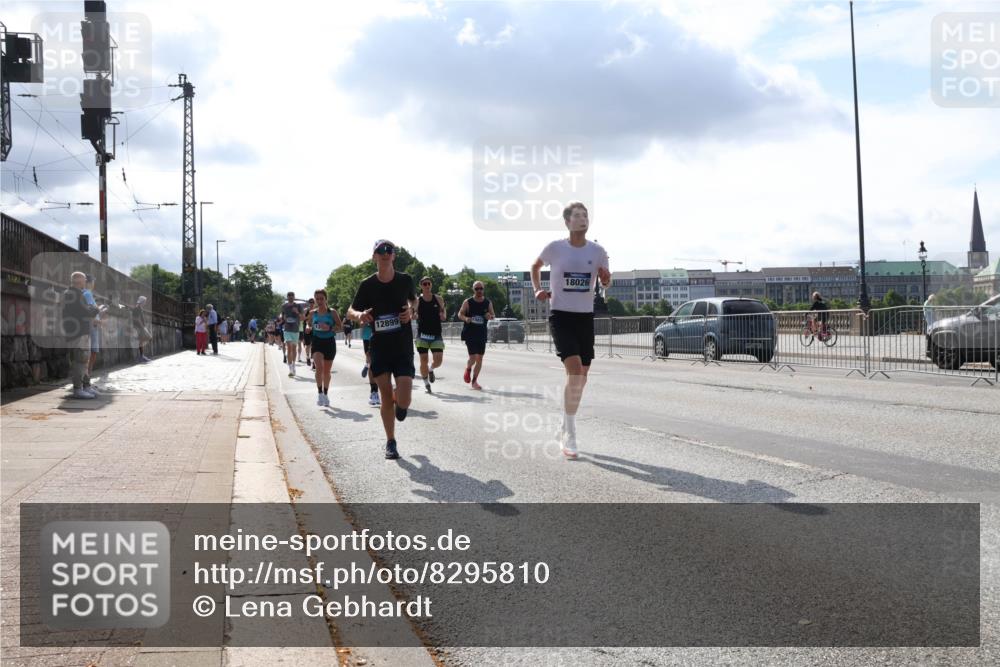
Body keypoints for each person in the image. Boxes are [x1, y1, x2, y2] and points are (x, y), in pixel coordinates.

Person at [531, 202, 610, 460]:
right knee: (575, 370)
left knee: (582, 377)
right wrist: (537, 289)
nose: (582, 218)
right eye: (577, 215)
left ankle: (564, 424)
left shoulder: (598, 251)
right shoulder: (555, 248)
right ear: (567, 222)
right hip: (561, 316)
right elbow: (535, 266)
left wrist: (606, 279)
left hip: (585, 318)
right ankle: (571, 435)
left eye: (585, 215)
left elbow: (606, 280)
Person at [347, 240, 417, 460]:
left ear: (394, 255)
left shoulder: (405, 280)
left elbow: (414, 301)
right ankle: (390, 441)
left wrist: (411, 311)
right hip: (380, 348)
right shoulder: (367, 285)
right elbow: (350, 310)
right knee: (386, 397)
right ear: (374, 256)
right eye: (380, 250)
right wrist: (359, 315)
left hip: (402, 346)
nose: (385, 253)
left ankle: (400, 404)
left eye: (389, 250)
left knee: (404, 401)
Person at [62, 271, 101, 399]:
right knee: (80, 360)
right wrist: (97, 309)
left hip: (77, 332)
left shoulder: (71, 293)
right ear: (80, 281)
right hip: (79, 333)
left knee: (84, 360)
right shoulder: (75, 295)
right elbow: (87, 312)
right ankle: (78, 389)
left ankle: (86, 386)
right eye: (84, 280)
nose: (86, 282)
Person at [458, 281, 495, 391]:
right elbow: (460, 314)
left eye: (481, 288)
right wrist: (466, 318)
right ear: (473, 290)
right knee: (473, 357)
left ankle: (474, 381)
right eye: (476, 289)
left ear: (483, 289)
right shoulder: (467, 302)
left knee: (480, 358)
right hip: (470, 333)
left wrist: (489, 316)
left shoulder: (487, 302)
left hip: (481, 333)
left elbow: (493, 315)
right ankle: (468, 368)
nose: (479, 290)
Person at [413, 277, 447, 393]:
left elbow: (443, 312)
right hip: (422, 335)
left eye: (429, 284)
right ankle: (426, 383)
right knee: (424, 360)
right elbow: (413, 314)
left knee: (438, 361)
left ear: (431, 285)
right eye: (425, 284)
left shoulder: (438, 299)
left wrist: (443, 315)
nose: (427, 286)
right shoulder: (418, 300)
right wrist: (414, 316)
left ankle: (431, 369)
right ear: (421, 286)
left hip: (436, 334)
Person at [310, 289, 343, 406]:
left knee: (326, 371)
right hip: (317, 342)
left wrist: (329, 328)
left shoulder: (332, 312)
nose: (319, 301)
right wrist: (308, 328)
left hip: (329, 342)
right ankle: (319, 393)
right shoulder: (312, 313)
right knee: (319, 367)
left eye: (321, 299)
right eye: (317, 299)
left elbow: (340, 327)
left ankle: (325, 393)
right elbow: (309, 324)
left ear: (326, 299)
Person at [82, 275, 102, 390]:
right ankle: (87, 379)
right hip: (92, 326)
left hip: (91, 325)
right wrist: (97, 321)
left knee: (90, 352)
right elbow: (90, 311)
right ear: (89, 282)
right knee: (92, 352)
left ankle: (86, 379)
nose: (94, 284)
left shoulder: (85, 293)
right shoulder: (88, 293)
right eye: (93, 282)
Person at [281, 293, 302, 376]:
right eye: (289, 296)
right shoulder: (284, 306)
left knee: (294, 349)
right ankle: (290, 369)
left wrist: (297, 312)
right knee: (289, 348)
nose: (290, 297)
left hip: (295, 330)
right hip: (287, 329)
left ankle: (293, 365)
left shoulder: (298, 306)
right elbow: (283, 316)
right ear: (287, 297)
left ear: (294, 297)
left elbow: (302, 317)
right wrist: (283, 318)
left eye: (292, 296)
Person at [360, 321, 379, 406]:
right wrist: (367, 322)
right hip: (367, 337)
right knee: (372, 364)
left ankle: (367, 364)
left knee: (377, 364)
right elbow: (361, 324)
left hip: (380, 336)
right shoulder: (366, 312)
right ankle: (374, 392)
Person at [132, 295, 152, 362]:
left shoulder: (139, 308)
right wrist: (142, 327)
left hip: (140, 327)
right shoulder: (137, 308)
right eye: (144, 302)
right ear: (142, 302)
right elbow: (137, 319)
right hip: (139, 327)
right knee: (146, 338)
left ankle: (141, 356)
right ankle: (141, 356)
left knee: (143, 340)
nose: (145, 303)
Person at [302, 297, 316, 368]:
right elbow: (303, 318)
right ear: (308, 303)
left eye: (313, 302)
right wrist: (309, 317)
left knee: (314, 345)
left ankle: (314, 362)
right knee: (308, 345)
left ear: (314, 303)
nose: (311, 304)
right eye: (310, 302)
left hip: (314, 329)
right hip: (307, 329)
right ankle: (307, 357)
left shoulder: (316, 310)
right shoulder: (305, 310)